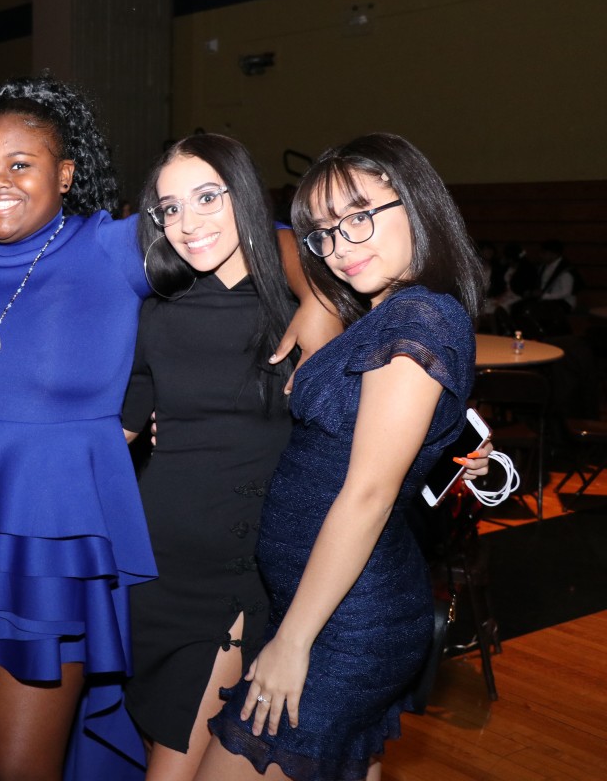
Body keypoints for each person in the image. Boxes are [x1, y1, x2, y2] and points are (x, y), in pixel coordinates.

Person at [0, 77, 337, 781]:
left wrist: (318, 297)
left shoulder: (111, 248)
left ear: (65, 174)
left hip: (47, 547)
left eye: (22, 164)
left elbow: (259, 233)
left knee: (19, 765)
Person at [202, 133, 484, 781]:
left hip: (344, 620)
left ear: (414, 203)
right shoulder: (384, 314)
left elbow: (368, 495)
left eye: (359, 216)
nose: (340, 245)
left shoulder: (421, 320)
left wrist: (293, 641)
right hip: (325, 602)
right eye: (324, 232)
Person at [120, 134, 316, 781]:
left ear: (247, 197)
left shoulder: (302, 310)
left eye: (207, 197)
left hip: (255, 573)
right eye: (168, 208)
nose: (187, 222)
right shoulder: (152, 312)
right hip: (162, 574)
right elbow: (111, 433)